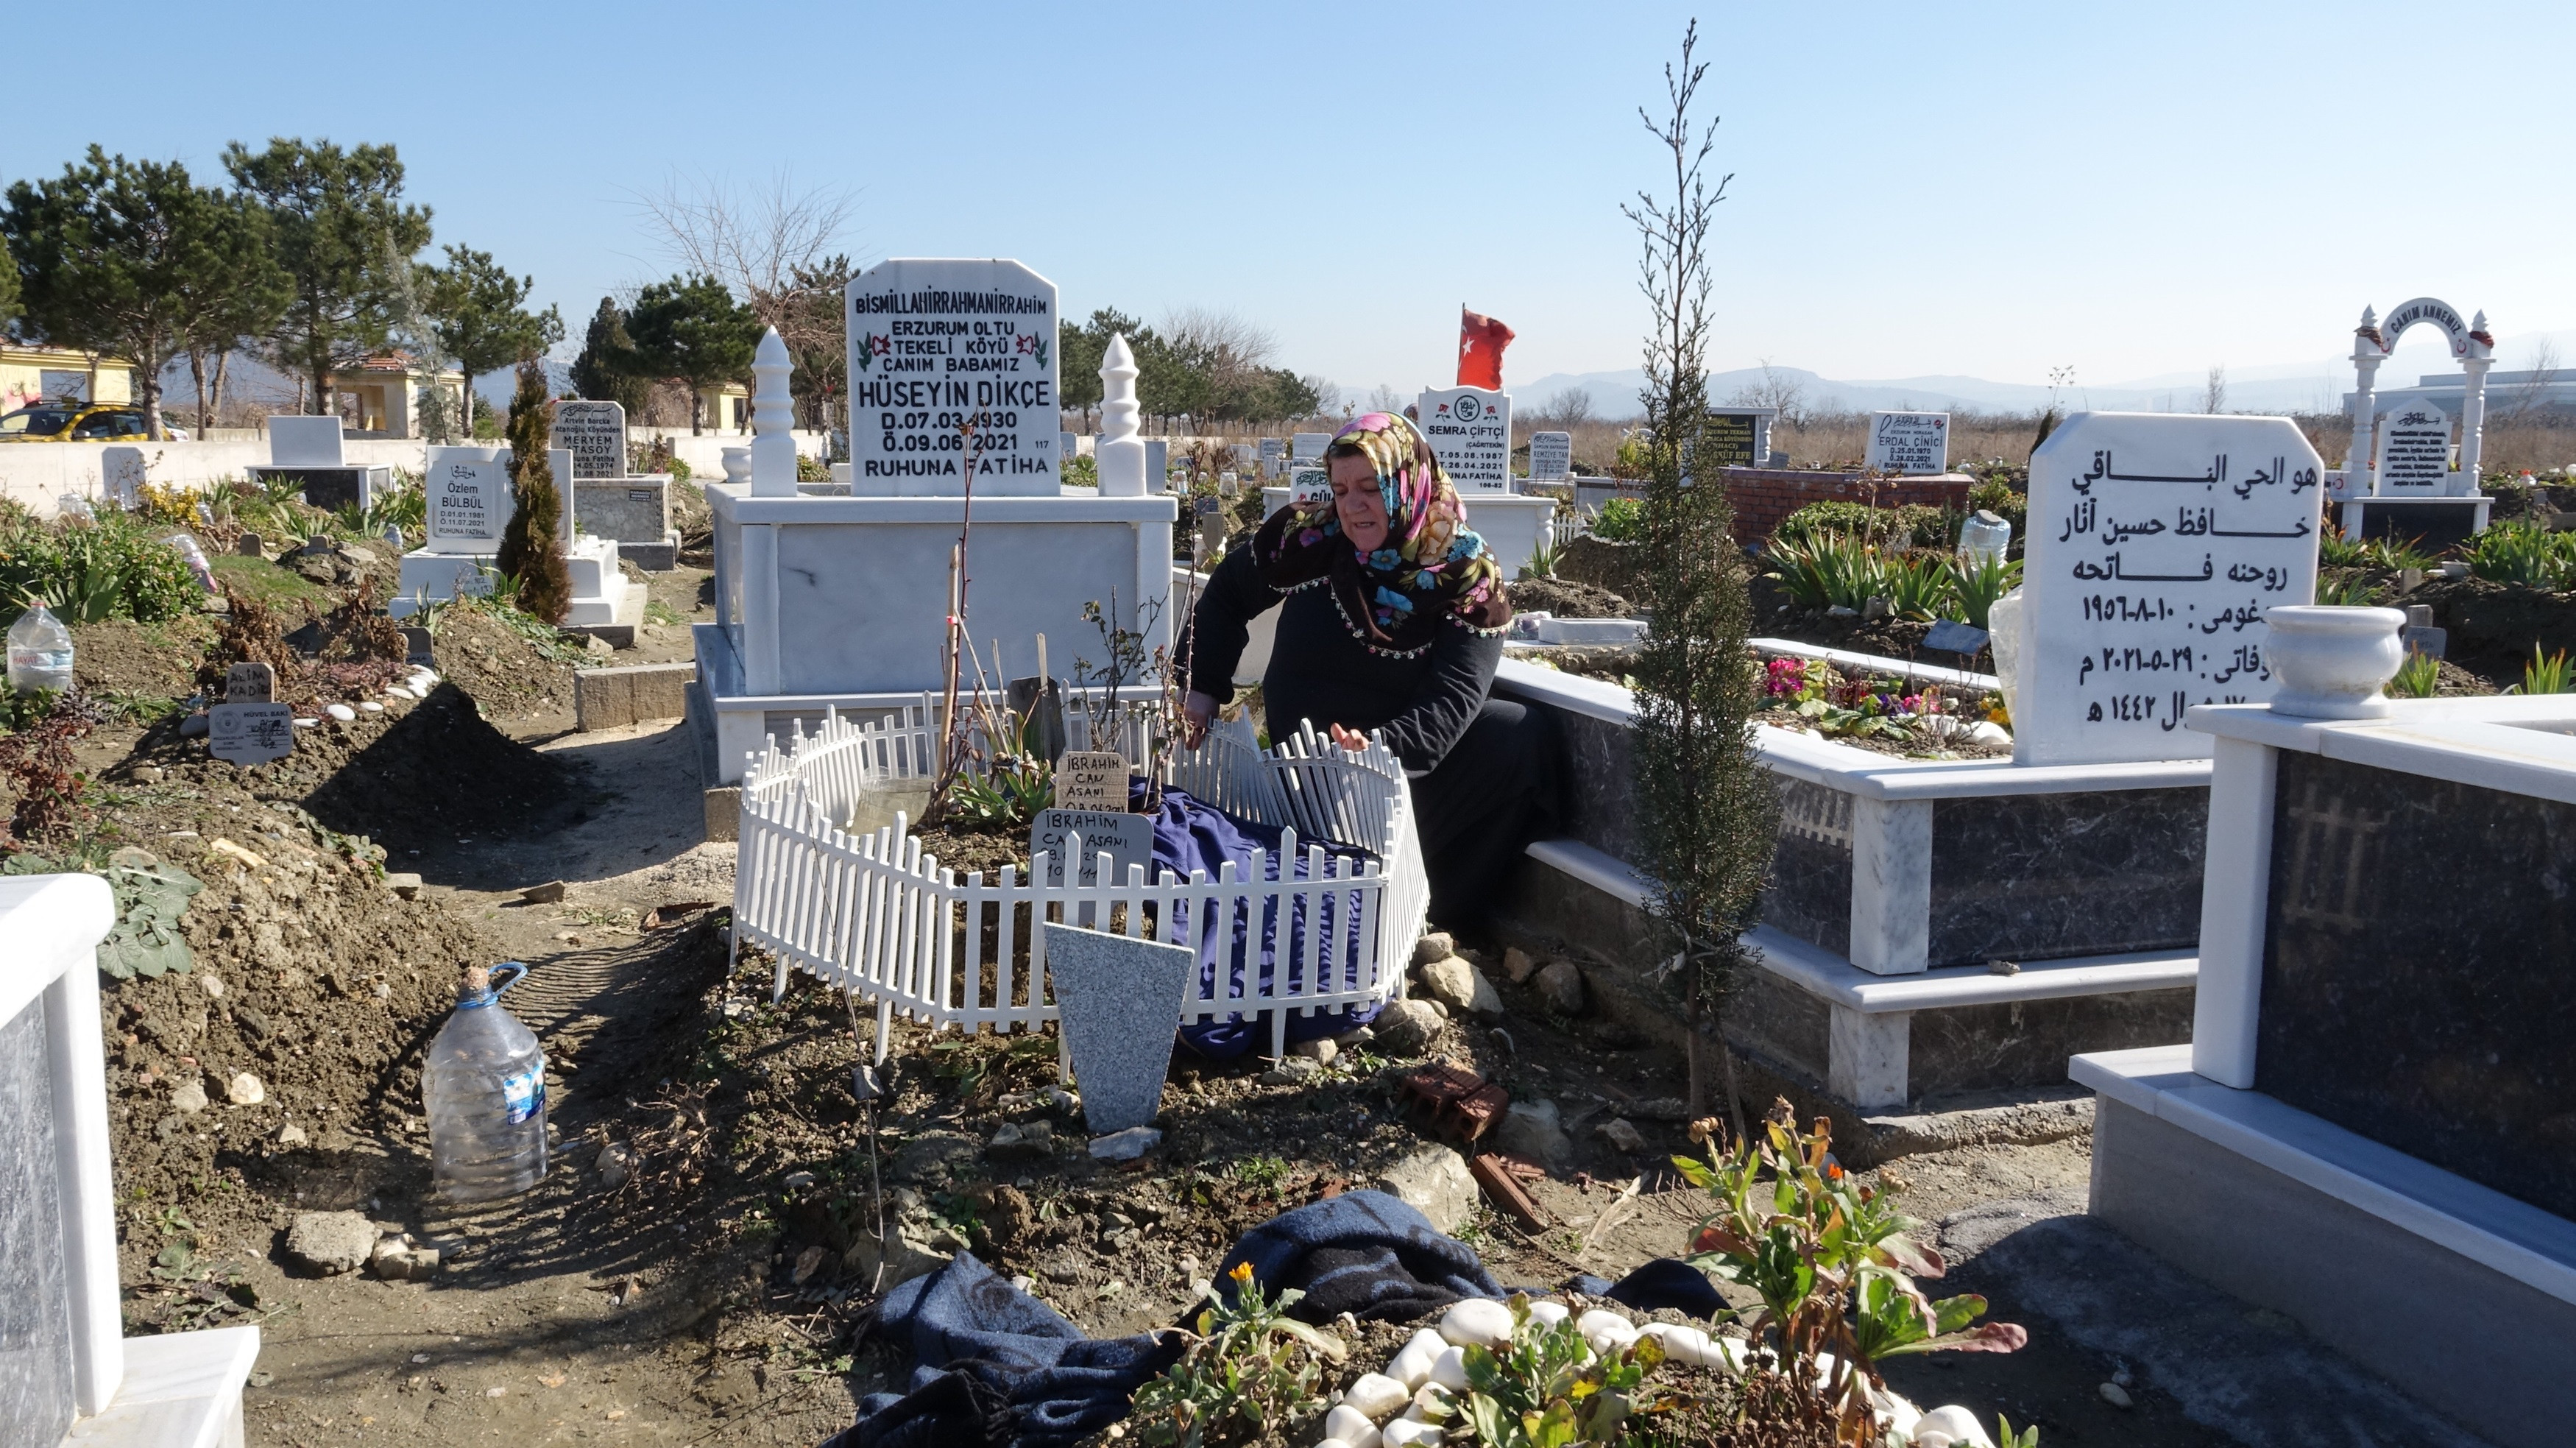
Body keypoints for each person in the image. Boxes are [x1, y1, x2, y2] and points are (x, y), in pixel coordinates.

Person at [1181, 412, 1560, 933]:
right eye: (1340, 489)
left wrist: (1379, 747)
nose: (1353, 505)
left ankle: (1432, 911)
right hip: (1303, 765)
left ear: (1406, 480)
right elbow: (1226, 594)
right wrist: (1202, 688)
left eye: (1370, 487)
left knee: (1518, 734)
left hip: (1392, 768)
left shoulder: (1464, 572)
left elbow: (1455, 695)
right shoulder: (1311, 539)